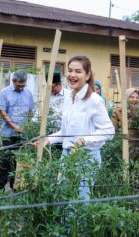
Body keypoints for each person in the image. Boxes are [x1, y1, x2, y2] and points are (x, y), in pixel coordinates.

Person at [37, 56, 114, 199]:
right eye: (70, 70)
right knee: (64, 197)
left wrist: (84, 140)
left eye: (78, 71)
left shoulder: (95, 100)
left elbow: (109, 132)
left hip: (86, 157)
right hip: (67, 155)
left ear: (87, 75)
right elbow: (66, 132)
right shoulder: (68, 98)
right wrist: (48, 139)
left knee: (80, 202)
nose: (72, 75)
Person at [0, 70, 35, 190]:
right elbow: (2, 111)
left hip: (22, 133)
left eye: (23, 85)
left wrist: (28, 124)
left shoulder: (28, 92)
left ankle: (15, 186)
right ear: (13, 81)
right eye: (18, 85)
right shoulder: (4, 92)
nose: (20, 88)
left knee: (19, 161)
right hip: (8, 133)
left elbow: (31, 110)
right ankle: (0, 187)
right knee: (6, 160)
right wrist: (14, 126)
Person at [111, 88, 139, 160]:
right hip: (123, 145)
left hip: (138, 147)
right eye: (132, 97)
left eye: (137, 97)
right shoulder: (119, 111)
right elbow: (112, 128)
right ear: (126, 98)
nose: (135, 99)